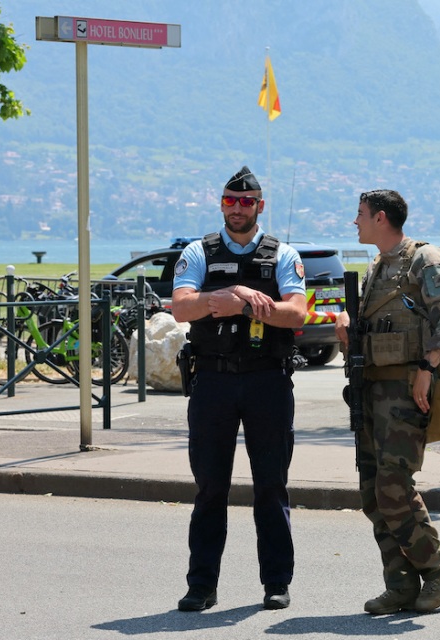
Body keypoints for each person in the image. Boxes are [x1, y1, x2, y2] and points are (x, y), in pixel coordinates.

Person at [171, 166, 307, 612]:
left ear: (260, 206)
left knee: (271, 485)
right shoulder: (199, 251)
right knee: (210, 487)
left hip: (267, 379)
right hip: (212, 381)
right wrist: (227, 295)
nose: (236, 208)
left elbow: (297, 313)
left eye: (245, 202)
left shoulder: (282, 254)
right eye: (230, 200)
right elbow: (180, 309)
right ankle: (201, 585)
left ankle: (276, 583)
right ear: (221, 204)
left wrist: (248, 302)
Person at [334, 189, 440, 615]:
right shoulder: (377, 267)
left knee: (394, 487)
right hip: (372, 391)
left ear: (381, 218)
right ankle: (401, 584)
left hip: (407, 391)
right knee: (372, 493)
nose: (355, 222)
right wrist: (349, 328)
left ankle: (439, 570)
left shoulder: (423, 259)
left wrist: (428, 368)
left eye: (360, 215)